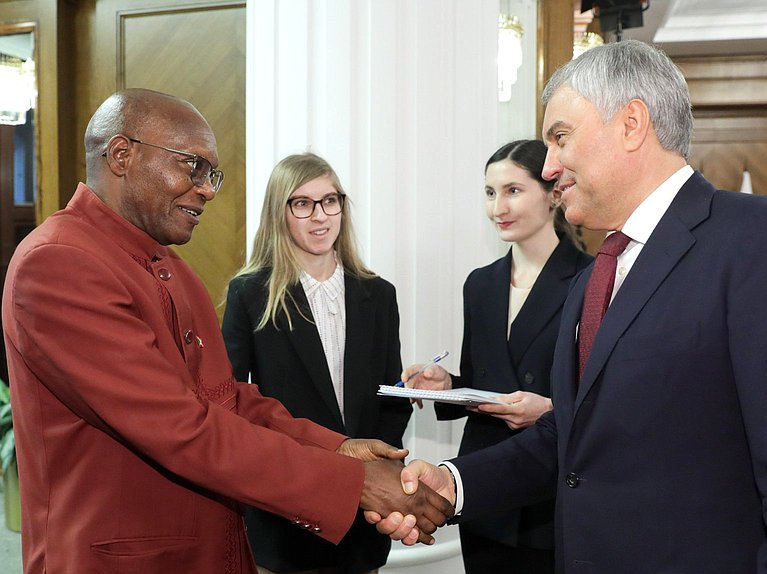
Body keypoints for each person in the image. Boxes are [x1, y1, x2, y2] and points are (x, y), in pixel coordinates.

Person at [371, 40, 767, 573]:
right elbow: (572, 437)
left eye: (559, 137)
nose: (549, 166)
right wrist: (455, 484)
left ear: (631, 124)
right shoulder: (597, 274)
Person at [1, 88, 452, 574]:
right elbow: (180, 427)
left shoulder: (171, 266)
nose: (208, 189)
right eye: (192, 166)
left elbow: (226, 398)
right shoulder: (59, 263)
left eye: (211, 173)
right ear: (121, 155)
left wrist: (336, 446)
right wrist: (352, 481)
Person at [400, 139, 591, 574]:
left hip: (554, 487)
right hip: (485, 485)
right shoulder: (480, 284)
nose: (497, 207)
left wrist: (550, 410)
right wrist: (446, 383)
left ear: (553, 194)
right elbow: (483, 376)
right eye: (489, 192)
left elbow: (603, 395)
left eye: (513, 191)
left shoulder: (591, 279)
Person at [222, 152, 412, 574]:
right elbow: (231, 400)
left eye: (331, 200)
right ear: (280, 213)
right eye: (302, 204)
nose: (320, 216)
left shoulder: (379, 294)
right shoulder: (250, 294)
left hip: (363, 513)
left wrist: (378, 474)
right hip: (286, 507)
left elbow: (391, 396)